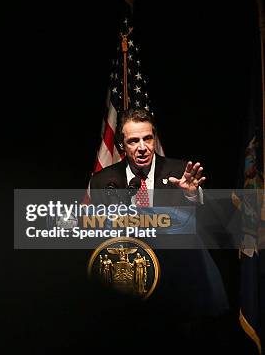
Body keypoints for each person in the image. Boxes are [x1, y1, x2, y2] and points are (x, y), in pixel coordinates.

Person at [89, 108, 229, 349]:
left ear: (155, 138)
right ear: (122, 146)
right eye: (133, 140)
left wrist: (192, 197)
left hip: (179, 295)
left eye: (148, 138)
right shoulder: (103, 181)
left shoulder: (180, 172)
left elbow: (210, 229)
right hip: (129, 297)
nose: (142, 147)